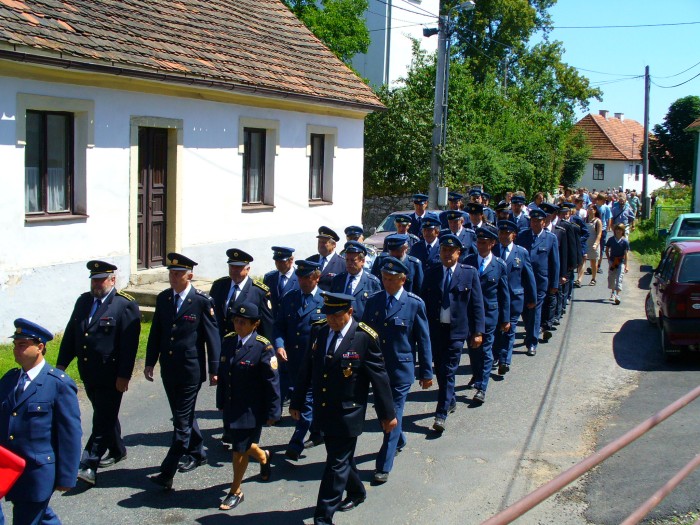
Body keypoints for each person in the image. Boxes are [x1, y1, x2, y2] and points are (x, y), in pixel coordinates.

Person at [290, 292, 397, 525]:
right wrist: (297, 401)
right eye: (328, 315)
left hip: (349, 412)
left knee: (335, 464)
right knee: (339, 458)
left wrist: (388, 415)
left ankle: (323, 518)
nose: (332, 320)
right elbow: (307, 369)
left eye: (337, 315)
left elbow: (380, 379)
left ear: (349, 312)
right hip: (325, 410)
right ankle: (357, 491)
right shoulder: (320, 331)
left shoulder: (364, 337)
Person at [57, 260, 140, 486]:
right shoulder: (84, 301)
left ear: (112, 280)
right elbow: (72, 334)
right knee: (105, 413)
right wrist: (61, 365)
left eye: (101, 279)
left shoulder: (124, 305)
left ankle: (88, 464)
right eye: (94, 280)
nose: (96, 284)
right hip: (89, 372)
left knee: (101, 418)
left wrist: (124, 375)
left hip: (112, 375)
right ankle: (117, 449)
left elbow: (129, 345)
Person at [144, 253, 221, 489]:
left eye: (178, 274)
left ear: (190, 275)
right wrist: (149, 361)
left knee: (181, 424)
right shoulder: (164, 298)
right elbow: (156, 331)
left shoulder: (200, 301)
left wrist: (214, 369)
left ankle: (167, 471)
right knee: (182, 415)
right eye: (171, 273)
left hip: (190, 369)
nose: (173, 277)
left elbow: (212, 337)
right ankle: (198, 452)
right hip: (169, 368)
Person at [1, 319, 82, 525]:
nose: (16, 350)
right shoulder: (9, 380)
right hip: (8, 468)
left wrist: (67, 476)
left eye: (22, 345)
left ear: (40, 347)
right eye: (15, 345)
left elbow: (69, 434)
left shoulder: (58, 384)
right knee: (41, 518)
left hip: (36, 473)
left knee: (27, 518)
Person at [361, 257, 433, 483]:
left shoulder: (414, 304)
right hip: (377, 369)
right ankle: (399, 439)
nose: (386, 283)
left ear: (403, 280)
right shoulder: (373, 302)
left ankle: (383, 465)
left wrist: (426, 372)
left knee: (393, 414)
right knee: (384, 411)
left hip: (401, 369)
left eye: (391, 280)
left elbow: (424, 340)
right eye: (384, 278)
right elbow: (364, 335)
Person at [216, 303, 280, 511]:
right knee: (239, 444)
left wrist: (273, 411)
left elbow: (272, 381)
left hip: (250, 409)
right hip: (231, 405)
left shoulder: (263, 346)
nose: (239, 325)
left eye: (243, 322)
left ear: (255, 324)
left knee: (238, 450)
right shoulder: (228, 341)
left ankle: (236, 491)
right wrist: (220, 401)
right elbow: (224, 374)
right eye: (236, 321)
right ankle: (263, 455)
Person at [420, 234, 485, 432]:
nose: (447, 254)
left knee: (448, 370)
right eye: (444, 250)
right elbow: (423, 304)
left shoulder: (469, 273)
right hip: (436, 331)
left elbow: (477, 305)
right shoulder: (431, 273)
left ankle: (440, 414)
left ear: (459, 253)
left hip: (457, 332)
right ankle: (451, 399)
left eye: (451, 251)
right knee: (440, 370)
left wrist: (478, 332)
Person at [273, 260, 325, 459]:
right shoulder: (290, 298)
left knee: (307, 402)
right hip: (291, 362)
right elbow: (279, 326)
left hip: (312, 362)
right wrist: (279, 344)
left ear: (317, 278)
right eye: (300, 278)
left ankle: (296, 443)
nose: (303, 281)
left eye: (307, 278)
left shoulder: (324, 301)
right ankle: (317, 431)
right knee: (297, 398)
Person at [464, 226, 510, 403]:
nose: (480, 246)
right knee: (473, 349)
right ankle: (476, 375)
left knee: (486, 349)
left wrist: (505, 319)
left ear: (492, 244)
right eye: (478, 243)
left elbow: (504, 294)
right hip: (470, 314)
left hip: (490, 315)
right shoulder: (468, 261)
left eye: (484, 243)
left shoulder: (499, 265)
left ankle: (482, 386)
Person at [492, 220, 536, 376]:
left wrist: (532, 298)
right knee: (497, 330)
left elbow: (528, 276)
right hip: (496, 299)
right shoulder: (493, 250)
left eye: (507, 233)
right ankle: (496, 355)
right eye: (501, 233)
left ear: (514, 235)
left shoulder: (521, 252)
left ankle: (505, 361)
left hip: (514, 299)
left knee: (510, 330)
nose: (504, 236)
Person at [515, 208, 559, 357]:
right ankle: (530, 332)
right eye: (532, 221)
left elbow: (554, 262)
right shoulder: (522, 236)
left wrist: (554, 284)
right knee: (525, 312)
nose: (534, 224)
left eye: (538, 221)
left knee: (534, 311)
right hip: (523, 281)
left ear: (544, 222)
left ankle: (532, 343)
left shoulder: (550, 238)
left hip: (540, 282)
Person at [210, 248, 274, 340]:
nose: (234, 270)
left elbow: (267, 326)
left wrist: (266, 350)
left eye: (238, 267)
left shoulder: (259, 291)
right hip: (219, 343)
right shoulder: (218, 286)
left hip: (245, 347)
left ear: (248, 269)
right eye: (231, 266)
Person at [330, 241, 382, 321]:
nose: (349, 263)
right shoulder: (338, 280)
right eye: (347, 260)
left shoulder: (372, 282)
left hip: (361, 328)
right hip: (341, 325)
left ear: (363, 261)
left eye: (353, 260)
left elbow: (377, 309)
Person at [263, 246, 299, 318]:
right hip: (273, 322)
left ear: (291, 260)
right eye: (276, 261)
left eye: (282, 261)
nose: (278, 264)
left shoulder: (299, 278)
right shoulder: (269, 278)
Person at [307, 226, 346, 291]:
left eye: (324, 242)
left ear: (334, 245)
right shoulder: (310, 261)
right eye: (319, 242)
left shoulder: (343, 264)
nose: (321, 245)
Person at [605, 223, 630, 305]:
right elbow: (607, 249)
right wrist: (609, 259)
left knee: (619, 277)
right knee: (612, 277)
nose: (618, 231)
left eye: (620, 230)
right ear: (614, 230)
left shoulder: (625, 241)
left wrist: (626, 265)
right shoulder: (611, 240)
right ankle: (612, 292)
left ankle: (617, 295)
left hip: (620, 261)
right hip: (613, 261)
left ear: (623, 231)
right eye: (617, 229)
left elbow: (626, 254)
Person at [585, 205, 603, 285]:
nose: (589, 210)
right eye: (588, 209)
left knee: (593, 261)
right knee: (582, 261)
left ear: (595, 211)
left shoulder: (597, 221)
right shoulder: (585, 220)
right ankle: (579, 279)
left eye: (591, 209)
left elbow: (599, 234)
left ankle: (593, 278)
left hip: (594, 243)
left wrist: (596, 243)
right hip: (585, 243)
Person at [595, 193, 612, 274]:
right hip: (594, 229)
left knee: (601, 248)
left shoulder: (606, 207)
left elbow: (609, 217)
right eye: (603, 200)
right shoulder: (594, 207)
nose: (604, 201)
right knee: (594, 247)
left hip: (603, 228)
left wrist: (608, 226)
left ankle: (598, 265)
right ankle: (593, 264)